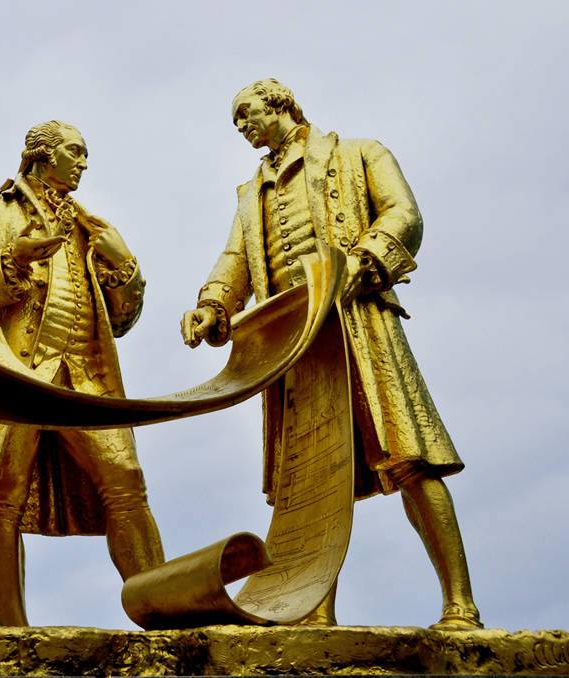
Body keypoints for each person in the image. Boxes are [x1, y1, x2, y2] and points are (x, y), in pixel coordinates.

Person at [180, 79, 481, 630]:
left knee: (411, 458)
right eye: (235, 121)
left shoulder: (358, 153)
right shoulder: (250, 193)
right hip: (292, 345)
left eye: (246, 113)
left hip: (357, 322)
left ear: (280, 103)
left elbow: (403, 214)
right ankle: (312, 611)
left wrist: (361, 263)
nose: (241, 126)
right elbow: (235, 259)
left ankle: (459, 602)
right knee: (308, 481)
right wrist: (212, 304)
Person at [0, 121, 165, 626]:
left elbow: (121, 321)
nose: (84, 162)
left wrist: (124, 265)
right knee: (1, 500)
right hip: (11, 371)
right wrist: (9, 260)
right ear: (43, 154)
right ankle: (13, 632)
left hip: (85, 375)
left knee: (127, 483)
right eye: (75, 151)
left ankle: (161, 616)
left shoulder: (89, 227)